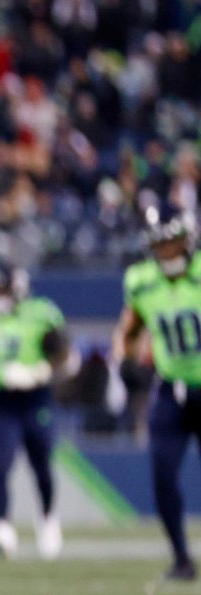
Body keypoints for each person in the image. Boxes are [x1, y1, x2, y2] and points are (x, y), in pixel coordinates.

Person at [110, 205, 199, 582]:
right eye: (160, 246)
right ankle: (181, 558)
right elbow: (128, 329)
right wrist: (125, 359)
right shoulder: (142, 280)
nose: (168, 253)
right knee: (162, 474)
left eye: (173, 243)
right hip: (170, 388)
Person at [0, 263, 69, 560]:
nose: (0, 297)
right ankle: (2, 528)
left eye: (4, 290)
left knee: (41, 464)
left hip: (34, 399)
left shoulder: (40, 312)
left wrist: (38, 372)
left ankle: (47, 519)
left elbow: (65, 358)